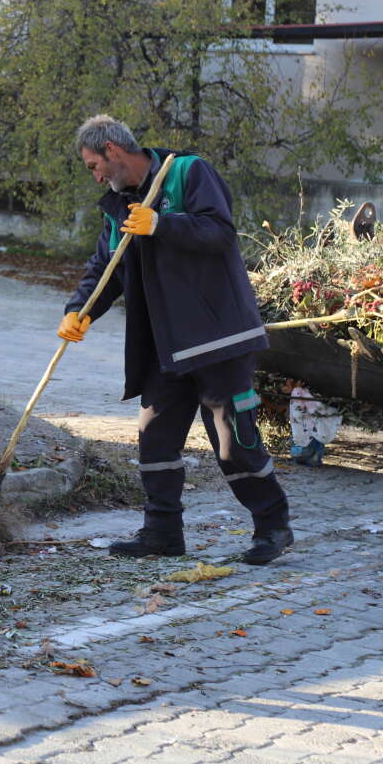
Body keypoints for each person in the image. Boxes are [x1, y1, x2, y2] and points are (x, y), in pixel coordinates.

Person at [59, 115, 292, 565]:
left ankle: (273, 526)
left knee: (232, 442)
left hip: (218, 337)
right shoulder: (119, 205)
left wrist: (163, 225)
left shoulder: (187, 173)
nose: (95, 175)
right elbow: (107, 266)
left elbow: (221, 234)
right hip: (165, 347)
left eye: (93, 165)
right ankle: (162, 533)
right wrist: (79, 310)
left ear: (111, 150)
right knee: (155, 438)